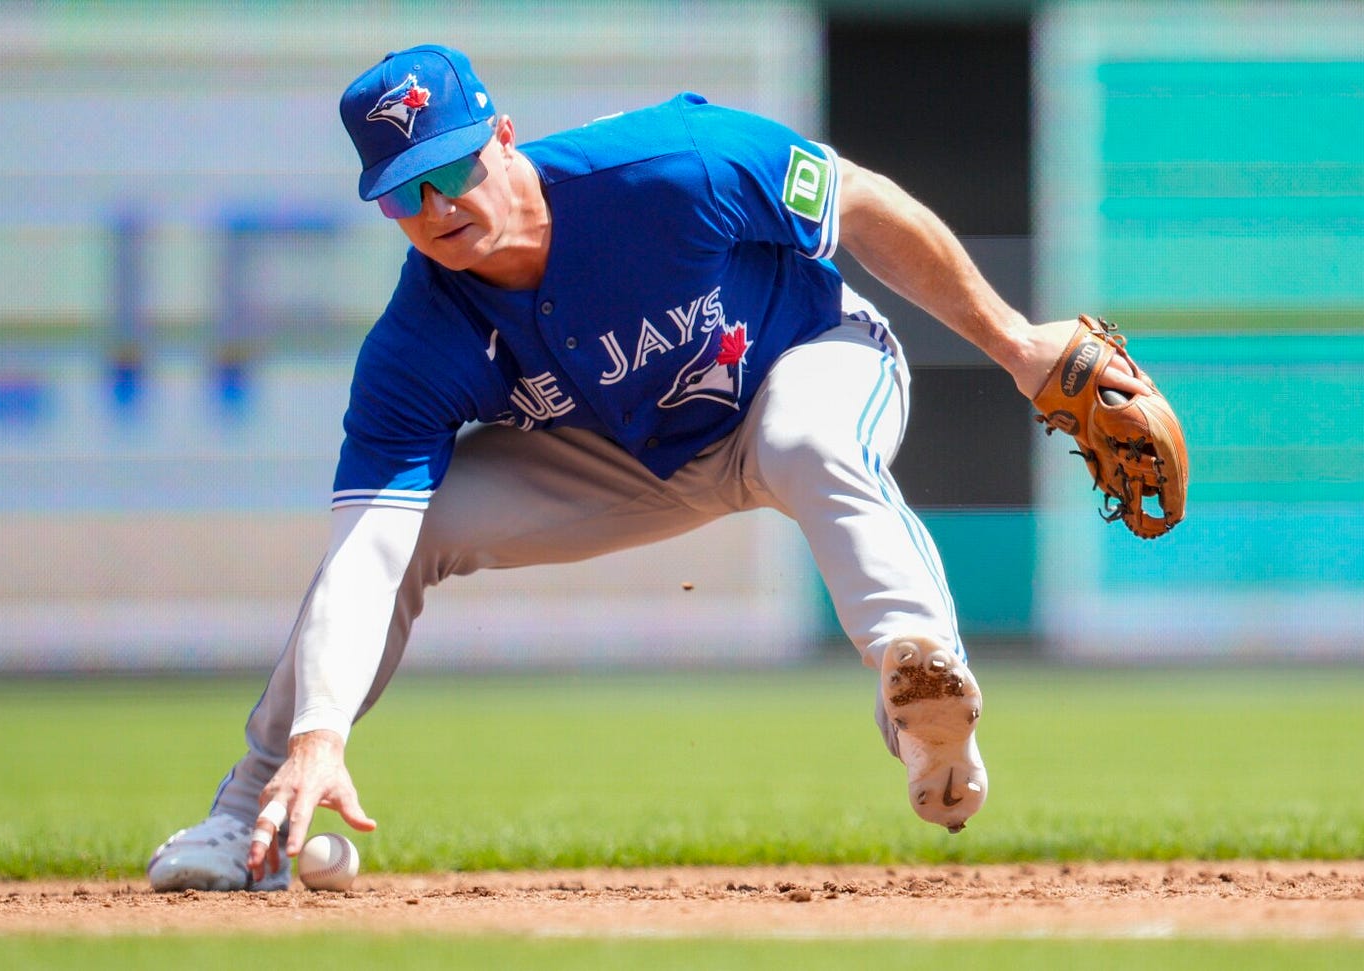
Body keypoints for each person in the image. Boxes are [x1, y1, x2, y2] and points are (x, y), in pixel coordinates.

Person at [147, 44, 1150, 891]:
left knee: (808, 442)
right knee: (420, 524)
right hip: (623, 457)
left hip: (803, 361)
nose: (438, 202)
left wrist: (1015, 341)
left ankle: (921, 690)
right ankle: (252, 814)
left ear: (502, 138)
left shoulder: (674, 166)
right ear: (382, 208)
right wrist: (321, 726)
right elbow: (366, 551)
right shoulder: (417, 342)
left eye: (451, 165)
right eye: (405, 191)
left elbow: (864, 204)